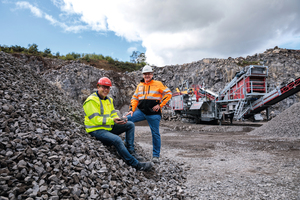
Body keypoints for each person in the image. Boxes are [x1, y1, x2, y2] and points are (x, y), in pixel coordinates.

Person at [83, 77, 153, 171]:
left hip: (107, 127)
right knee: (117, 139)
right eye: (103, 87)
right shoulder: (91, 100)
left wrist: (118, 119)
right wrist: (112, 120)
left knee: (130, 125)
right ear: (98, 86)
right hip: (95, 130)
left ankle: (131, 151)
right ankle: (135, 164)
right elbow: (95, 120)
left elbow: (112, 113)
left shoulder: (109, 100)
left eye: (108, 88)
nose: (106, 90)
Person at [126, 65, 172, 164]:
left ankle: (156, 156)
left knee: (155, 133)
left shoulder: (158, 84)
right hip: (141, 111)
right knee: (127, 119)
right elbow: (135, 98)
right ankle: (129, 148)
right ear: (143, 75)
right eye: (145, 74)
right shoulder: (140, 85)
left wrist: (160, 105)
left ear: (152, 74)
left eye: (149, 74)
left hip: (154, 113)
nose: (147, 75)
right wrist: (131, 109)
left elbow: (168, 93)